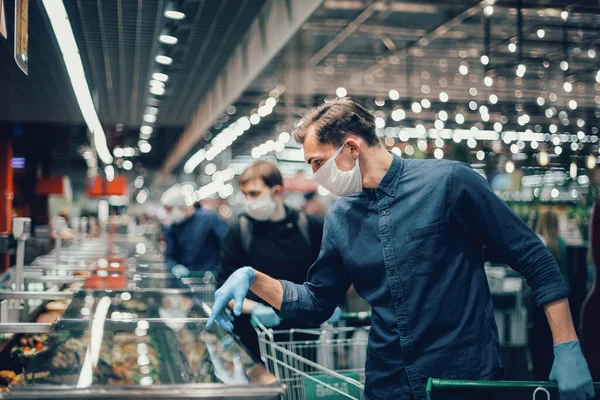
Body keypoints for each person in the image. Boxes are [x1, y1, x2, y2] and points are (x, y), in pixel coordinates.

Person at [209, 98, 595, 400]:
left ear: (350, 147)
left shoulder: (450, 183)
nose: (314, 176)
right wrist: (253, 279)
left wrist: (567, 345)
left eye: (317, 162)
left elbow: (534, 258)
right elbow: (317, 301)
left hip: (460, 381)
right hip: (387, 382)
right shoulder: (342, 217)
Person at [217, 161, 326, 360]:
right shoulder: (239, 230)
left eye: (255, 193)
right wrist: (255, 308)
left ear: (276, 192)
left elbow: (324, 277)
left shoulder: (309, 226)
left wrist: (331, 303)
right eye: (245, 194)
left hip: (302, 336)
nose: (248, 200)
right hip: (254, 334)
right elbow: (226, 288)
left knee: (299, 387)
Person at [531, 209, 569, 381]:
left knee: (539, 341)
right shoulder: (562, 244)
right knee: (555, 343)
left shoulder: (536, 244)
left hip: (539, 301)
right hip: (562, 302)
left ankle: (540, 379)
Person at [160, 183, 228, 277]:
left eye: (170, 210)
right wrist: (174, 266)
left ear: (181, 206)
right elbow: (169, 256)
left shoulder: (208, 219)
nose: (168, 214)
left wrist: (224, 269)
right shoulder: (172, 228)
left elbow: (228, 244)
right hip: (185, 279)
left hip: (209, 278)